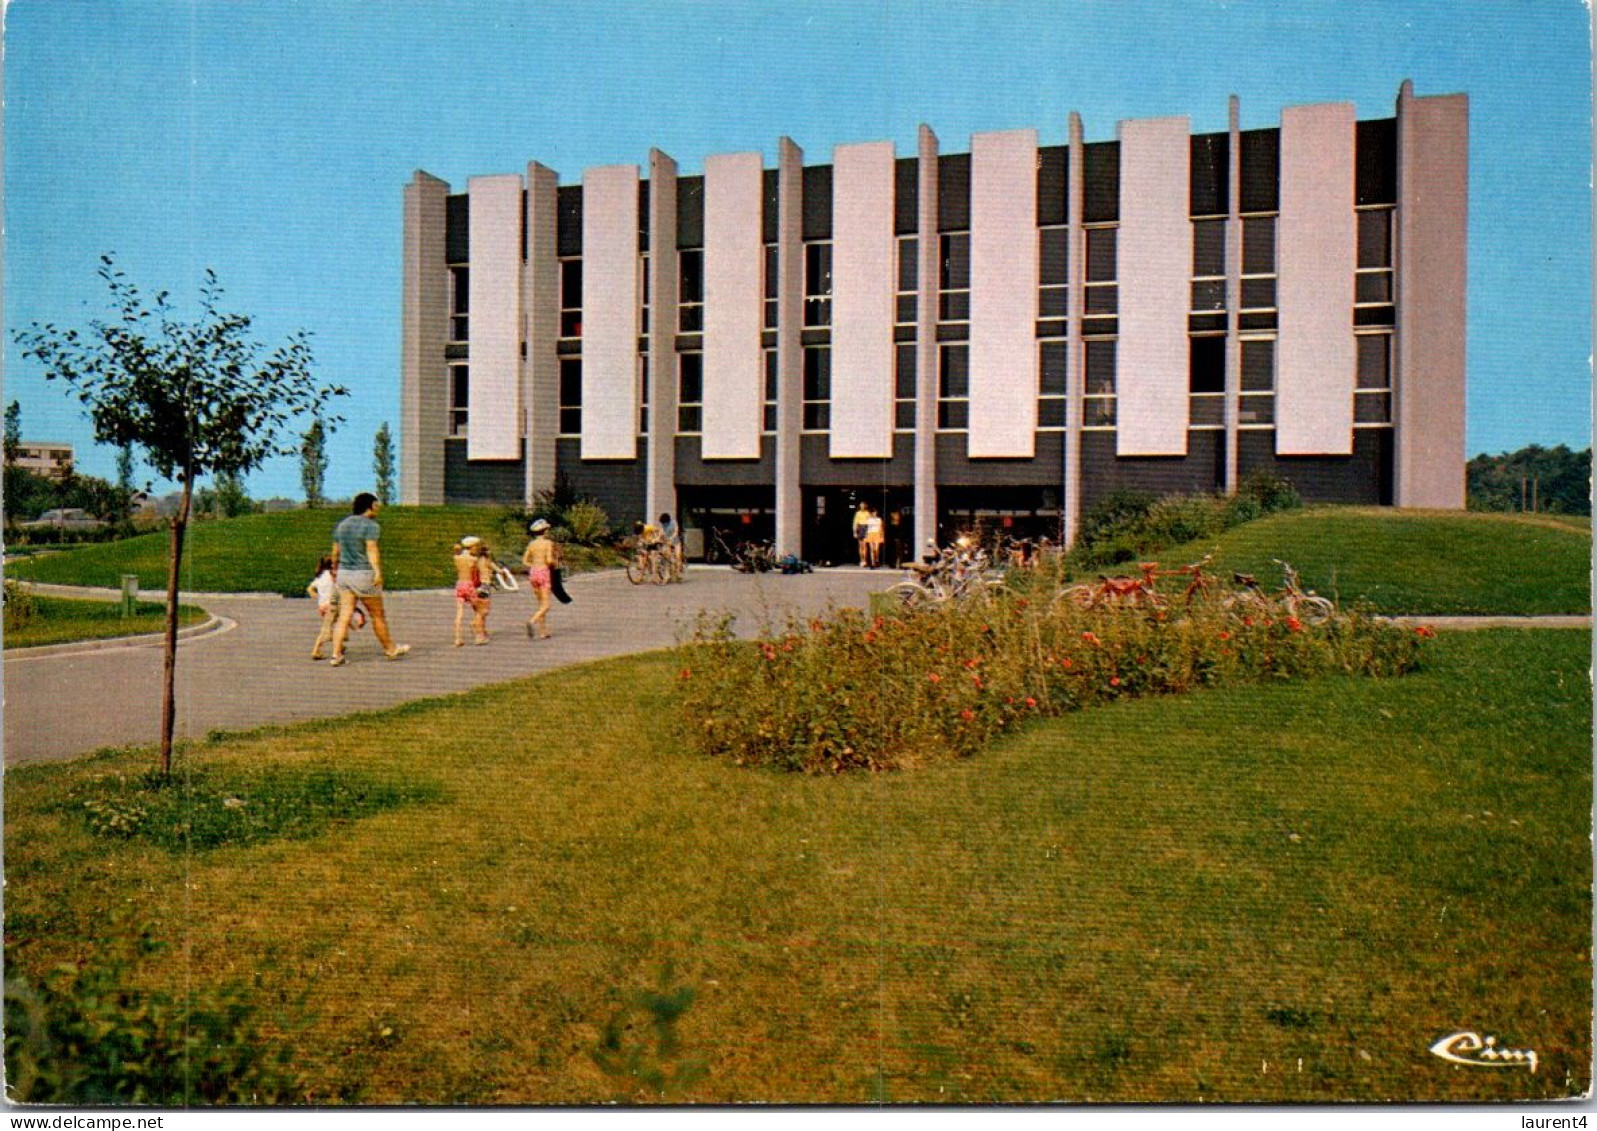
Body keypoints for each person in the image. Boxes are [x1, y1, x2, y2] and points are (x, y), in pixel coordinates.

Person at [328, 492, 410, 666]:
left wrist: (334, 569)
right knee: (377, 614)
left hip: (344, 574)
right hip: (363, 573)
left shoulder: (342, 525)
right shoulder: (371, 525)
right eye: (376, 505)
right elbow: (372, 550)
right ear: (370, 506)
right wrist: (377, 572)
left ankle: (336, 655)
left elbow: (335, 552)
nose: (378, 508)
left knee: (344, 615)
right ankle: (390, 649)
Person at [521, 518, 561, 640]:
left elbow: (525, 560)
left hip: (534, 572)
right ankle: (532, 621)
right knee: (546, 605)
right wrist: (556, 562)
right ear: (544, 531)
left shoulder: (531, 544)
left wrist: (533, 566)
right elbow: (549, 560)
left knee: (540, 604)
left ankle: (543, 631)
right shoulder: (548, 543)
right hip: (543, 572)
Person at [452, 536, 492, 647]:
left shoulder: (457, 558)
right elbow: (476, 575)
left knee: (459, 613)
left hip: (460, 585)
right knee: (480, 610)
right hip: (469, 585)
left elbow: (456, 552)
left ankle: (457, 638)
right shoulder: (473, 560)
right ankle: (479, 636)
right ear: (472, 547)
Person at [307, 555, 337, 661]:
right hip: (331, 606)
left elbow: (310, 589)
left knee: (332, 626)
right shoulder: (332, 577)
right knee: (327, 629)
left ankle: (340, 645)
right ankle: (316, 650)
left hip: (322, 607)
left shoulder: (320, 577)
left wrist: (319, 598)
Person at [852, 500, 871, 567]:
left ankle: (865, 560)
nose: (862, 506)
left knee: (865, 545)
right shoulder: (858, 513)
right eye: (861, 505)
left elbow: (870, 523)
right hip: (860, 528)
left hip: (866, 528)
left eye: (863, 505)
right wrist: (854, 532)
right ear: (860, 506)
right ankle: (861, 560)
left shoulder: (868, 513)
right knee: (860, 546)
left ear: (865, 506)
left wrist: (869, 532)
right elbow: (855, 523)